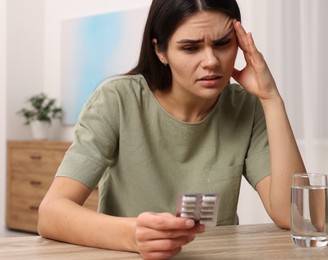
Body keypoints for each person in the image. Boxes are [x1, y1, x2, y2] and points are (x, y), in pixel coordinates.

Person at [38, 0, 306, 259]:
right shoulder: (117, 99)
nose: (211, 61)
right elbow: (50, 213)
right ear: (161, 51)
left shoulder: (246, 106)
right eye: (191, 48)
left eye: (223, 44)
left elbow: (290, 215)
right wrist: (133, 235)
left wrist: (271, 99)